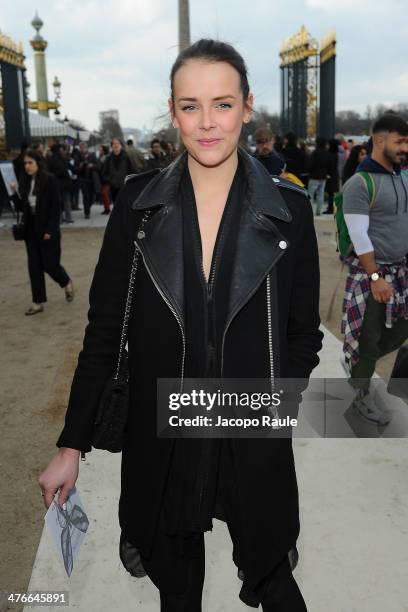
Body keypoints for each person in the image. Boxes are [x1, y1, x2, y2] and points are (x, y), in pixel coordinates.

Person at [39, 39, 323, 611]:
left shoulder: (288, 211)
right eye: (190, 106)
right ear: (173, 111)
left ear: (247, 107)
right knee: (179, 589)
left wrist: (270, 406)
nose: (207, 122)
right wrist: (72, 442)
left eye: (222, 104)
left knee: (275, 583)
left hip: (248, 427)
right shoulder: (138, 205)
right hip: (165, 432)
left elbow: (302, 335)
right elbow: (104, 331)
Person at [341, 113, 408, 425]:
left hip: (402, 272)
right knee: (369, 338)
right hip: (374, 275)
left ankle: (356, 364)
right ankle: (360, 395)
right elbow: (359, 235)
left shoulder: (401, 177)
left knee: (397, 332)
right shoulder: (359, 183)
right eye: (400, 141)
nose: (405, 147)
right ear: (380, 140)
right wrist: (376, 277)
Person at [10, 149, 74, 315]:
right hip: (30, 231)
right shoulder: (24, 180)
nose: (27, 166)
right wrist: (14, 192)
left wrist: (50, 230)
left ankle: (66, 281)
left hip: (47, 230)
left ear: (38, 163)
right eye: (25, 163)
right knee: (34, 267)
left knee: (50, 265)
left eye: (30, 162)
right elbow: (20, 208)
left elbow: (56, 207)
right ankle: (37, 302)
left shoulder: (50, 180)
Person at [102, 138, 135, 204]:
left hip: (124, 186)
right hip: (113, 187)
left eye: (117, 143)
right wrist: (110, 180)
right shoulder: (108, 158)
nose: (116, 145)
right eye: (114, 144)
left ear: (121, 145)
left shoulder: (126, 157)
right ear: (111, 146)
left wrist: (128, 181)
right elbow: (104, 173)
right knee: (115, 205)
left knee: (124, 205)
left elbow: (132, 170)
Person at [47, 144, 73, 224]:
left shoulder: (50, 160)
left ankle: (59, 219)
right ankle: (68, 219)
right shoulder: (64, 159)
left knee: (57, 202)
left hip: (55, 183)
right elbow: (68, 169)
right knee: (67, 201)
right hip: (65, 183)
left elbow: (48, 171)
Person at [307, 137, 332, 215]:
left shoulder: (315, 153)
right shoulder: (327, 153)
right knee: (320, 195)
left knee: (310, 194)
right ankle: (318, 211)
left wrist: (309, 171)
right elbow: (329, 165)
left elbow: (310, 165)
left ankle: (309, 211)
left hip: (314, 176)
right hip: (323, 176)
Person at [75, 142, 97, 219]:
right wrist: (80, 166)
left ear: (87, 147)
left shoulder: (92, 155)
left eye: (84, 147)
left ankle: (88, 206)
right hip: (83, 179)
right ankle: (86, 212)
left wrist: (92, 165)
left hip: (92, 179)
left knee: (92, 196)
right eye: (81, 148)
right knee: (86, 196)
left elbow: (98, 166)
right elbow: (76, 169)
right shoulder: (77, 156)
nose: (82, 149)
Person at [323, 139, 340, 214]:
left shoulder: (330, 154)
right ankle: (331, 207)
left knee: (330, 193)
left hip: (330, 175)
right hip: (334, 175)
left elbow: (331, 165)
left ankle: (330, 208)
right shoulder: (336, 153)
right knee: (331, 193)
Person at [97, 145, 112, 215]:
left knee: (105, 194)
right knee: (103, 194)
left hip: (106, 179)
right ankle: (106, 208)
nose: (99, 151)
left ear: (104, 151)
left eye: (100, 150)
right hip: (102, 179)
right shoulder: (101, 158)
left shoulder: (106, 158)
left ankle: (107, 209)